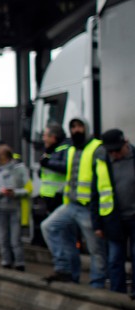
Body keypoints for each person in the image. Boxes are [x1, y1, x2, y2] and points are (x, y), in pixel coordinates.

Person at [40, 118, 110, 287]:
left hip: (87, 207)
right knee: (49, 227)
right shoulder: (72, 149)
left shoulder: (97, 148)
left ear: (86, 128)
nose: (76, 130)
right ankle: (64, 269)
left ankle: (97, 283)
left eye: (79, 127)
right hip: (71, 204)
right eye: (73, 127)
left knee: (96, 249)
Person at [95, 129, 132, 295]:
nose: (115, 154)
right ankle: (117, 295)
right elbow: (95, 195)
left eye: (118, 150)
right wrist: (97, 224)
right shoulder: (103, 163)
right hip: (114, 219)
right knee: (115, 259)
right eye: (111, 151)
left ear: (126, 143)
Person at [0, 144, 29, 271]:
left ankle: (19, 262)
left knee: (15, 239)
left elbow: (28, 189)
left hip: (16, 208)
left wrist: (15, 192)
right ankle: (6, 262)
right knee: (2, 238)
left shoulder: (19, 169)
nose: (3, 161)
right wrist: (0, 192)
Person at [38, 123, 70, 217]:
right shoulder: (51, 150)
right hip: (49, 197)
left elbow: (66, 167)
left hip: (59, 196)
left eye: (45, 136)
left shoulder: (65, 149)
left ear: (53, 137)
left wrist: (47, 163)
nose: (43, 139)